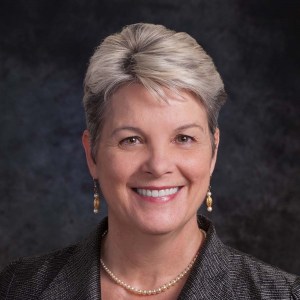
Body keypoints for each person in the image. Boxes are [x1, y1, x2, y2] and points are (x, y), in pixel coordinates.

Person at [0, 23, 299, 300]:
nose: (158, 165)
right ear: (92, 154)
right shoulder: (17, 288)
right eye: (131, 140)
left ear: (213, 151)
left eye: (183, 138)